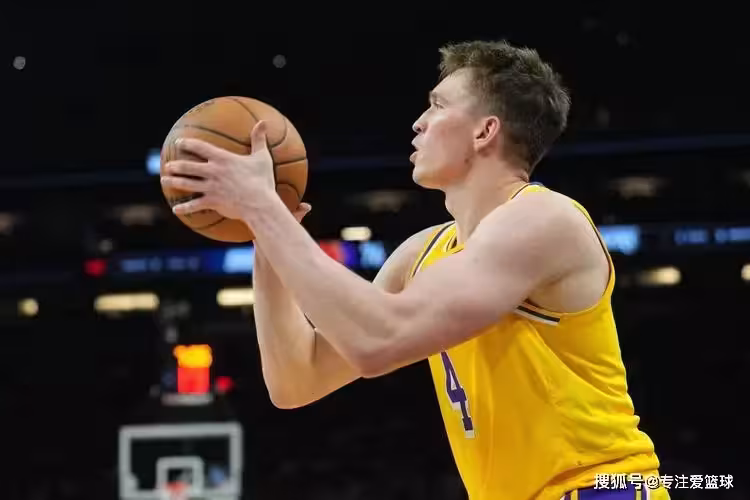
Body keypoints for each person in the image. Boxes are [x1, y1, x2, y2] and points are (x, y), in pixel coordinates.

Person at [161, 40, 670, 500]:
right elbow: (297, 380)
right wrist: (264, 232)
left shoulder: (543, 219)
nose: (419, 122)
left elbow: (379, 340)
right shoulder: (422, 252)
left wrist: (265, 209)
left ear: (485, 131)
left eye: (438, 105)